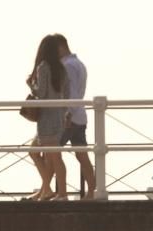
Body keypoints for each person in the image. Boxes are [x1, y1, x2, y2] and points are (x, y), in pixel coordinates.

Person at [52, 34, 95, 199]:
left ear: (60, 47)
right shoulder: (79, 64)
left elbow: (71, 93)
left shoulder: (67, 66)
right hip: (80, 116)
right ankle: (92, 191)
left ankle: (52, 190)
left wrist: (67, 113)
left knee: (52, 153)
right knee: (82, 155)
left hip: (69, 117)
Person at [26, 34, 68, 201]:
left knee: (54, 157)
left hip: (47, 117)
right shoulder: (61, 68)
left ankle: (60, 193)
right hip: (58, 115)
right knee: (48, 154)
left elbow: (42, 94)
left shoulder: (43, 67)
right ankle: (49, 189)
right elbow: (65, 94)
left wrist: (32, 86)